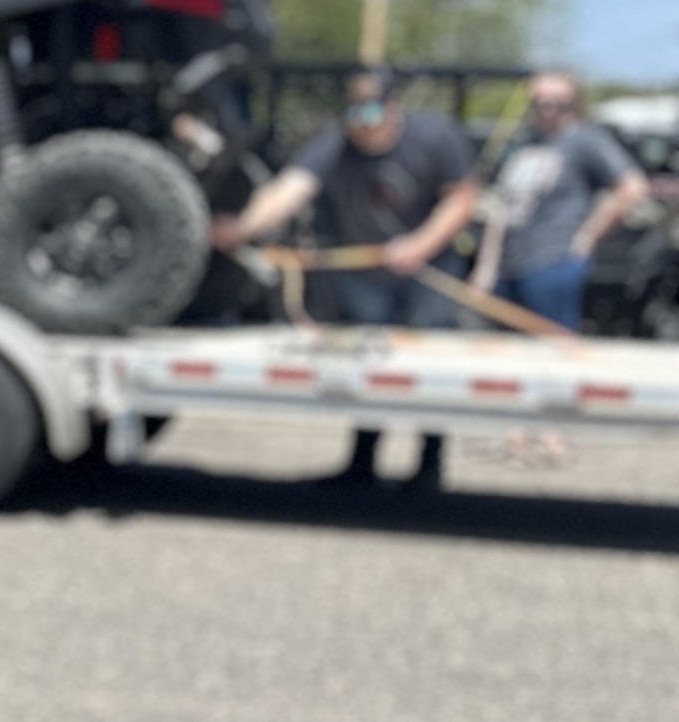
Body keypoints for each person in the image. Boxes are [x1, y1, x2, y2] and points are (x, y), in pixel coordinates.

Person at [221, 70, 483, 483]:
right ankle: (362, 464)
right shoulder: (334, 145)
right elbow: (288, 190)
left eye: (372, 108)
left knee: (428, 369)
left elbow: (462, 200)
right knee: (369, 366)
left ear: (394, 108)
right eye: (353, 109)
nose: (362, 119)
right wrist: (242, 229)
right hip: (367, 275)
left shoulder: (436, 136)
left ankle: (428, 467)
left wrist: (419, 246)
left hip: (429, 272)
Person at [474, 70, 645, 333]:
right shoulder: (522, 142)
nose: (547, 111)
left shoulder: (586, 140)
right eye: (539, 103)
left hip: (553, 262)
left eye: (556, 103)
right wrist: (486, 267)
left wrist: (587, 238)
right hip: (510, 265)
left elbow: (632, 187)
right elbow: (500, 207)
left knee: (551, 356)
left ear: (574, 104)